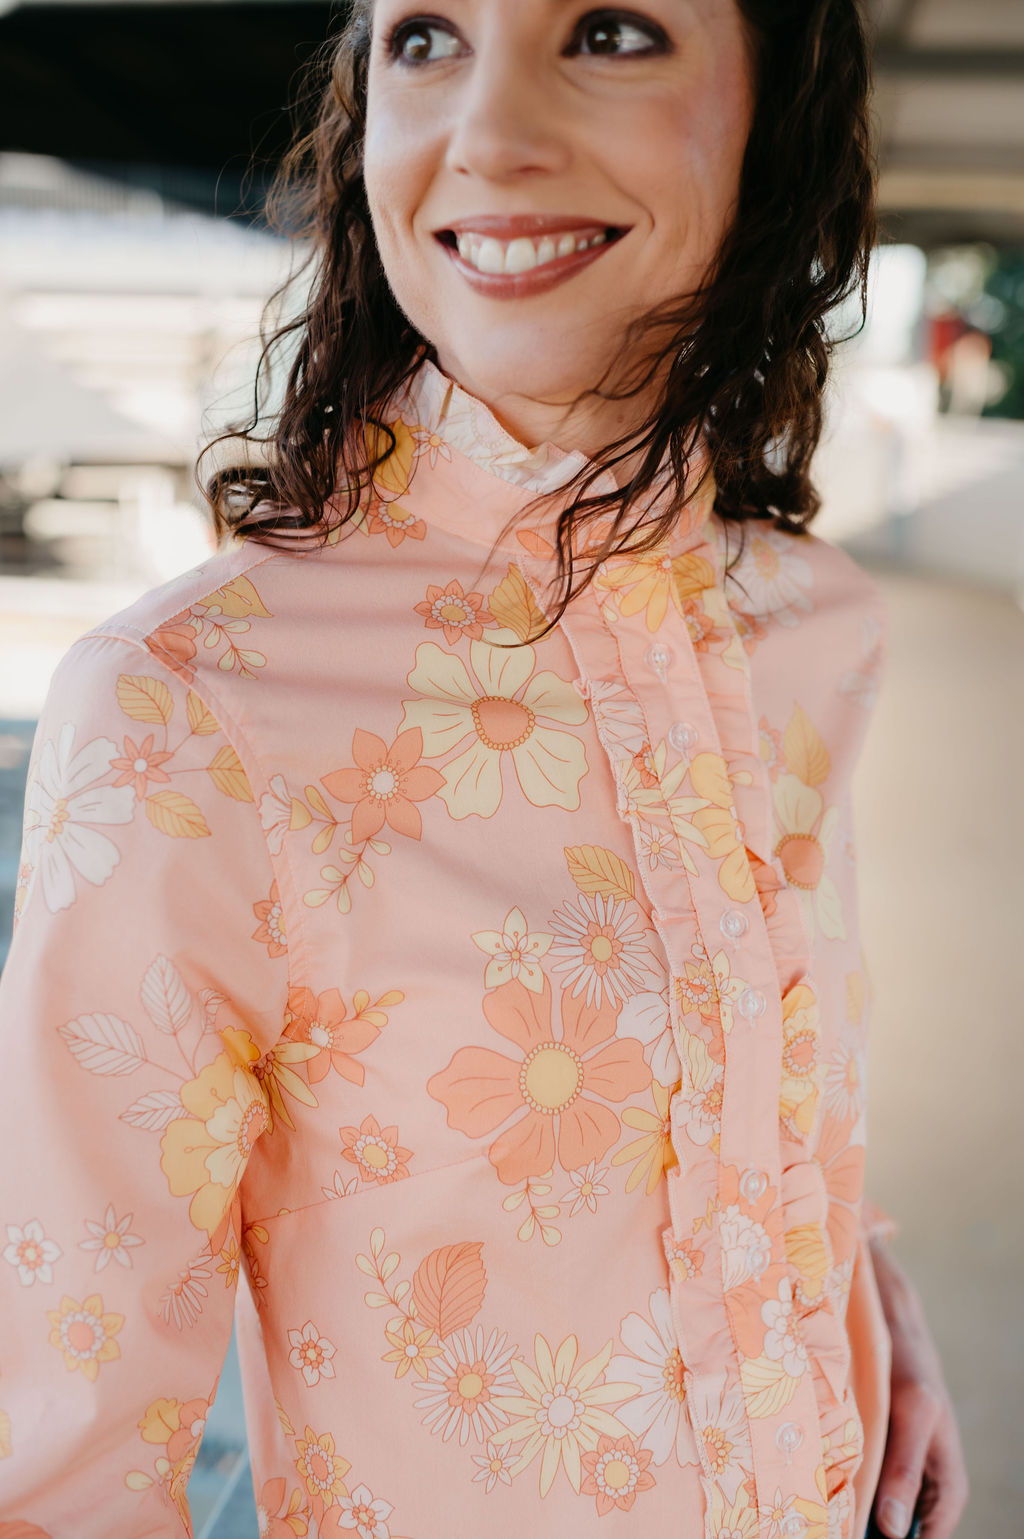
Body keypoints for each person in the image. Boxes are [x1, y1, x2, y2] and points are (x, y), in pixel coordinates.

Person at [0, 3, 969, 1537]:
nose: (492, 134)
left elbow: (743, 1048)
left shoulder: (812, 625)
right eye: (427, 38)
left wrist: (841, 1260)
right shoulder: (190, 707)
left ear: (773, 107)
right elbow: (59, 1463)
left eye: (611, 31)